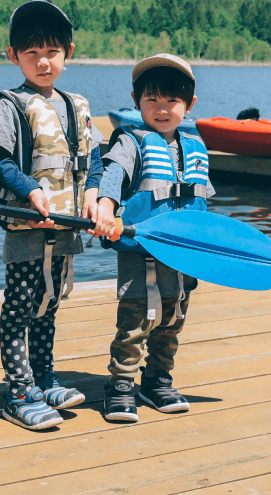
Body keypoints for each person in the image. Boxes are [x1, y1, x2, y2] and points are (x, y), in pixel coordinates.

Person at [0, 0, 105, 431]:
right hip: (28, 226)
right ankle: (17, 390)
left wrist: (91, 193)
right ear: (14, 56)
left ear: (67, 54)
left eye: (51, 52)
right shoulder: (11, 104)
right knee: (19, 308)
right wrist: (30, 189)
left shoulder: (78, 106)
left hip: (67, 227)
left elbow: (95, 160)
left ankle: (44, 376)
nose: (42, 61)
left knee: (49, 304)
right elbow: (0, 161)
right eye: (31, 53)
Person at [95, 53, 214, 423]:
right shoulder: (131, 142)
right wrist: (105, 205)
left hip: (183, 256)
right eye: (152, 100)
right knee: (134, 324)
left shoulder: (196, 147)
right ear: (136, 101)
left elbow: (202, 200)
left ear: (189, 105)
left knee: (172, 321)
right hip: (141, 251)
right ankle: (121, 384)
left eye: (172, 101)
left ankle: (158, 380)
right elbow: (112, 176)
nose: (162, 109)